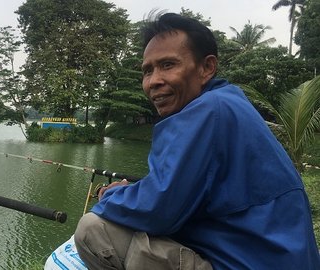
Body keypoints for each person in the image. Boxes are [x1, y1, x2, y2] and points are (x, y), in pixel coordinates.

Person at [74, 13, 320, 270]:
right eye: (147, 71)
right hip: (276, 258)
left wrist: (112, 194)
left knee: (93, 230)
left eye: (168, 65)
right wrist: (136, 194)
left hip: (250, 263)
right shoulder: (228, 101)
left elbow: (159, 209)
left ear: (206, 68)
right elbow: (175, 190)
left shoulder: (207, 110)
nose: (154, 81)